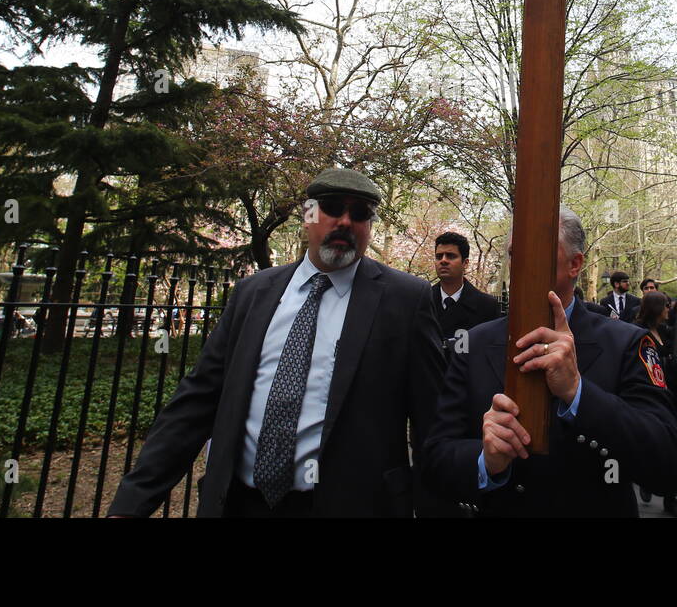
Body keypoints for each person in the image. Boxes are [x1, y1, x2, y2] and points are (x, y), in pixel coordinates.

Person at [108, 168, 444, 517]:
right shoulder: (253, 293)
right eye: (331, 208)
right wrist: (131, 504)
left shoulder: (406, 299)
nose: (345, 221)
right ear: (308, 216)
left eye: (359, 214)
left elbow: (432, 418)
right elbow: (197, 401)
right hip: (239, 503)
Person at [422, 206, 677, 516]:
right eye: (512, 253)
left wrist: (578, 393)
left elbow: (668, 467)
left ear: (575, 264)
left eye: (537, 252)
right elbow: (435, 460)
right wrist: (486, 461)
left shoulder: (625, 343)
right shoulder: (474, 345)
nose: (520, 264)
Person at [635, 290, 677, 518]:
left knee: (672, 447)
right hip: (648, 397)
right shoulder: (638, 333)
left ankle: (670, 497)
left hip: (671, 396)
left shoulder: (667, 331)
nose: (669, 309)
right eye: (665, 305)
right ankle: (646, 479)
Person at [431, 232, 501, 356]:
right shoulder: (422, 301)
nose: (443, 261)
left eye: (451, 256)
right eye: (439, 256)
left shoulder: (486, 306)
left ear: (466, 263)